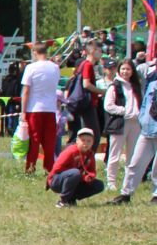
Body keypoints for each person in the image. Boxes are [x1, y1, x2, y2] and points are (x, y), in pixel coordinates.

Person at [109, 70, 157, 204]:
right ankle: (126, 194)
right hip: (147, 129)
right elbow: (145, 103)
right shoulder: (152, 80)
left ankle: (156, 195)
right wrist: (142, 118)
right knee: (135, 163)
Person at [19, 43, 62, 176]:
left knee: (34, 140)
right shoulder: (55, 67)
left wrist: (23, 111)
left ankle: (30, 167)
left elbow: (26, 91)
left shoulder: (31, 67)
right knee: (49, 141)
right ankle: (49, 168)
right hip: (50, 108)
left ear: (34, 52)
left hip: (34, 108)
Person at [101, 59, 141, 193]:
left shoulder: (135, 86)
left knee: (133, 154)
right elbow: (108, 106)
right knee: (114, 153)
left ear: (132, 71)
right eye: (123, 69)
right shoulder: (114, 86)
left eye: (128, 69)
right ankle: (111, 181)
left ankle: (129, 181)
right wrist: (124, 111)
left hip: (135, 123)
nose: (125, 72)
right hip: (120, 123)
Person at [47, 126, 102, 207]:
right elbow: (56, 168)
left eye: (89, 141)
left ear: (93, 142)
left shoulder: (90, 154)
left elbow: (92, 171)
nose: (85, 143)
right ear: (77, 141)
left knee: (99, 185)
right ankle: (63, 201)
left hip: (76, 179)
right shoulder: (70, 151)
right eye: (83, 140)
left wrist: (89, 177)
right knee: (75, 173)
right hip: (57, 180)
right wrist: (79, 175)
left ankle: (71, 199)